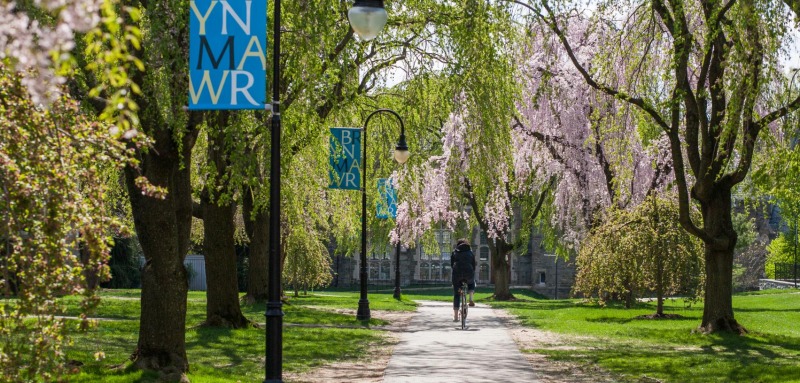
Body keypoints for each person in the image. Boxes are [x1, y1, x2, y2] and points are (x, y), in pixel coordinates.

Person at [450, 238, 476, 321]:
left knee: (457, 294)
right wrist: (472, 271)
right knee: (471, 282)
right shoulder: (470, 252)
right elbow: (473, 264)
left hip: (457, 273)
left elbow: (452, 264)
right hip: (468, 272)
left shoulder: (455, 252)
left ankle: (456, 317)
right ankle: (471, 298)